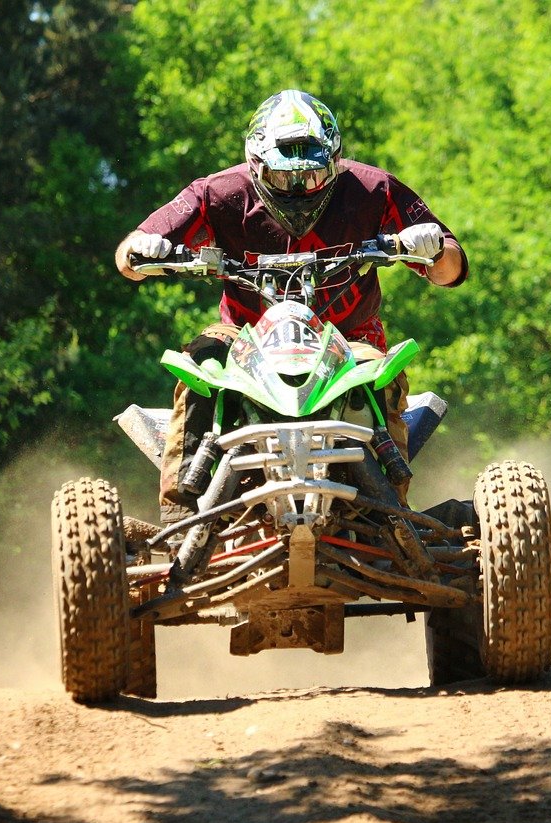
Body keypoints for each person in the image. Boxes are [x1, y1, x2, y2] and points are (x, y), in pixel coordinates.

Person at [116, 89, 467, 524]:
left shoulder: (373, 189)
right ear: (256, 164)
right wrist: (142, 249)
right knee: (200, 367)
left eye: (313, 178)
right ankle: (179, 514)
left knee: (382, 374)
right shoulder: (219, 193)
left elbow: (451, 268)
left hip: (347, 339)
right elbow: (129, 257)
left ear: (336, 163)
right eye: (285, 180)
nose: (299, 191)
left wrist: (432, 248)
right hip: (244, 340)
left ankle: (390, 513)